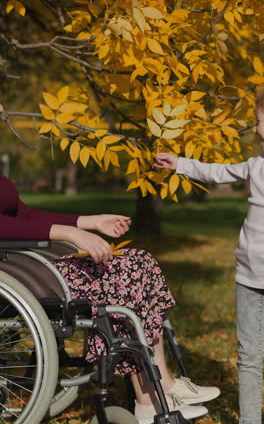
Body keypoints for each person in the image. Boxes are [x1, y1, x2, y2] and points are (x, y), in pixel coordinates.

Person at [0, 103, 220, 424]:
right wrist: (69, 233)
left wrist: (90, 221)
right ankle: (151, 397)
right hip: (16, 275)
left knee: (139, 262)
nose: (4, 106)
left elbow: (23, 216)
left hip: (22, 267)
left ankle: (160, 388)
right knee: (122, 272)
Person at [155, 92, 264, 424]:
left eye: (259, 121)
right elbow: (219, 172)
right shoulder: (256, 165)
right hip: (249, 277)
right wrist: (180, 164)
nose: (256, 130)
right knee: (248, 357)